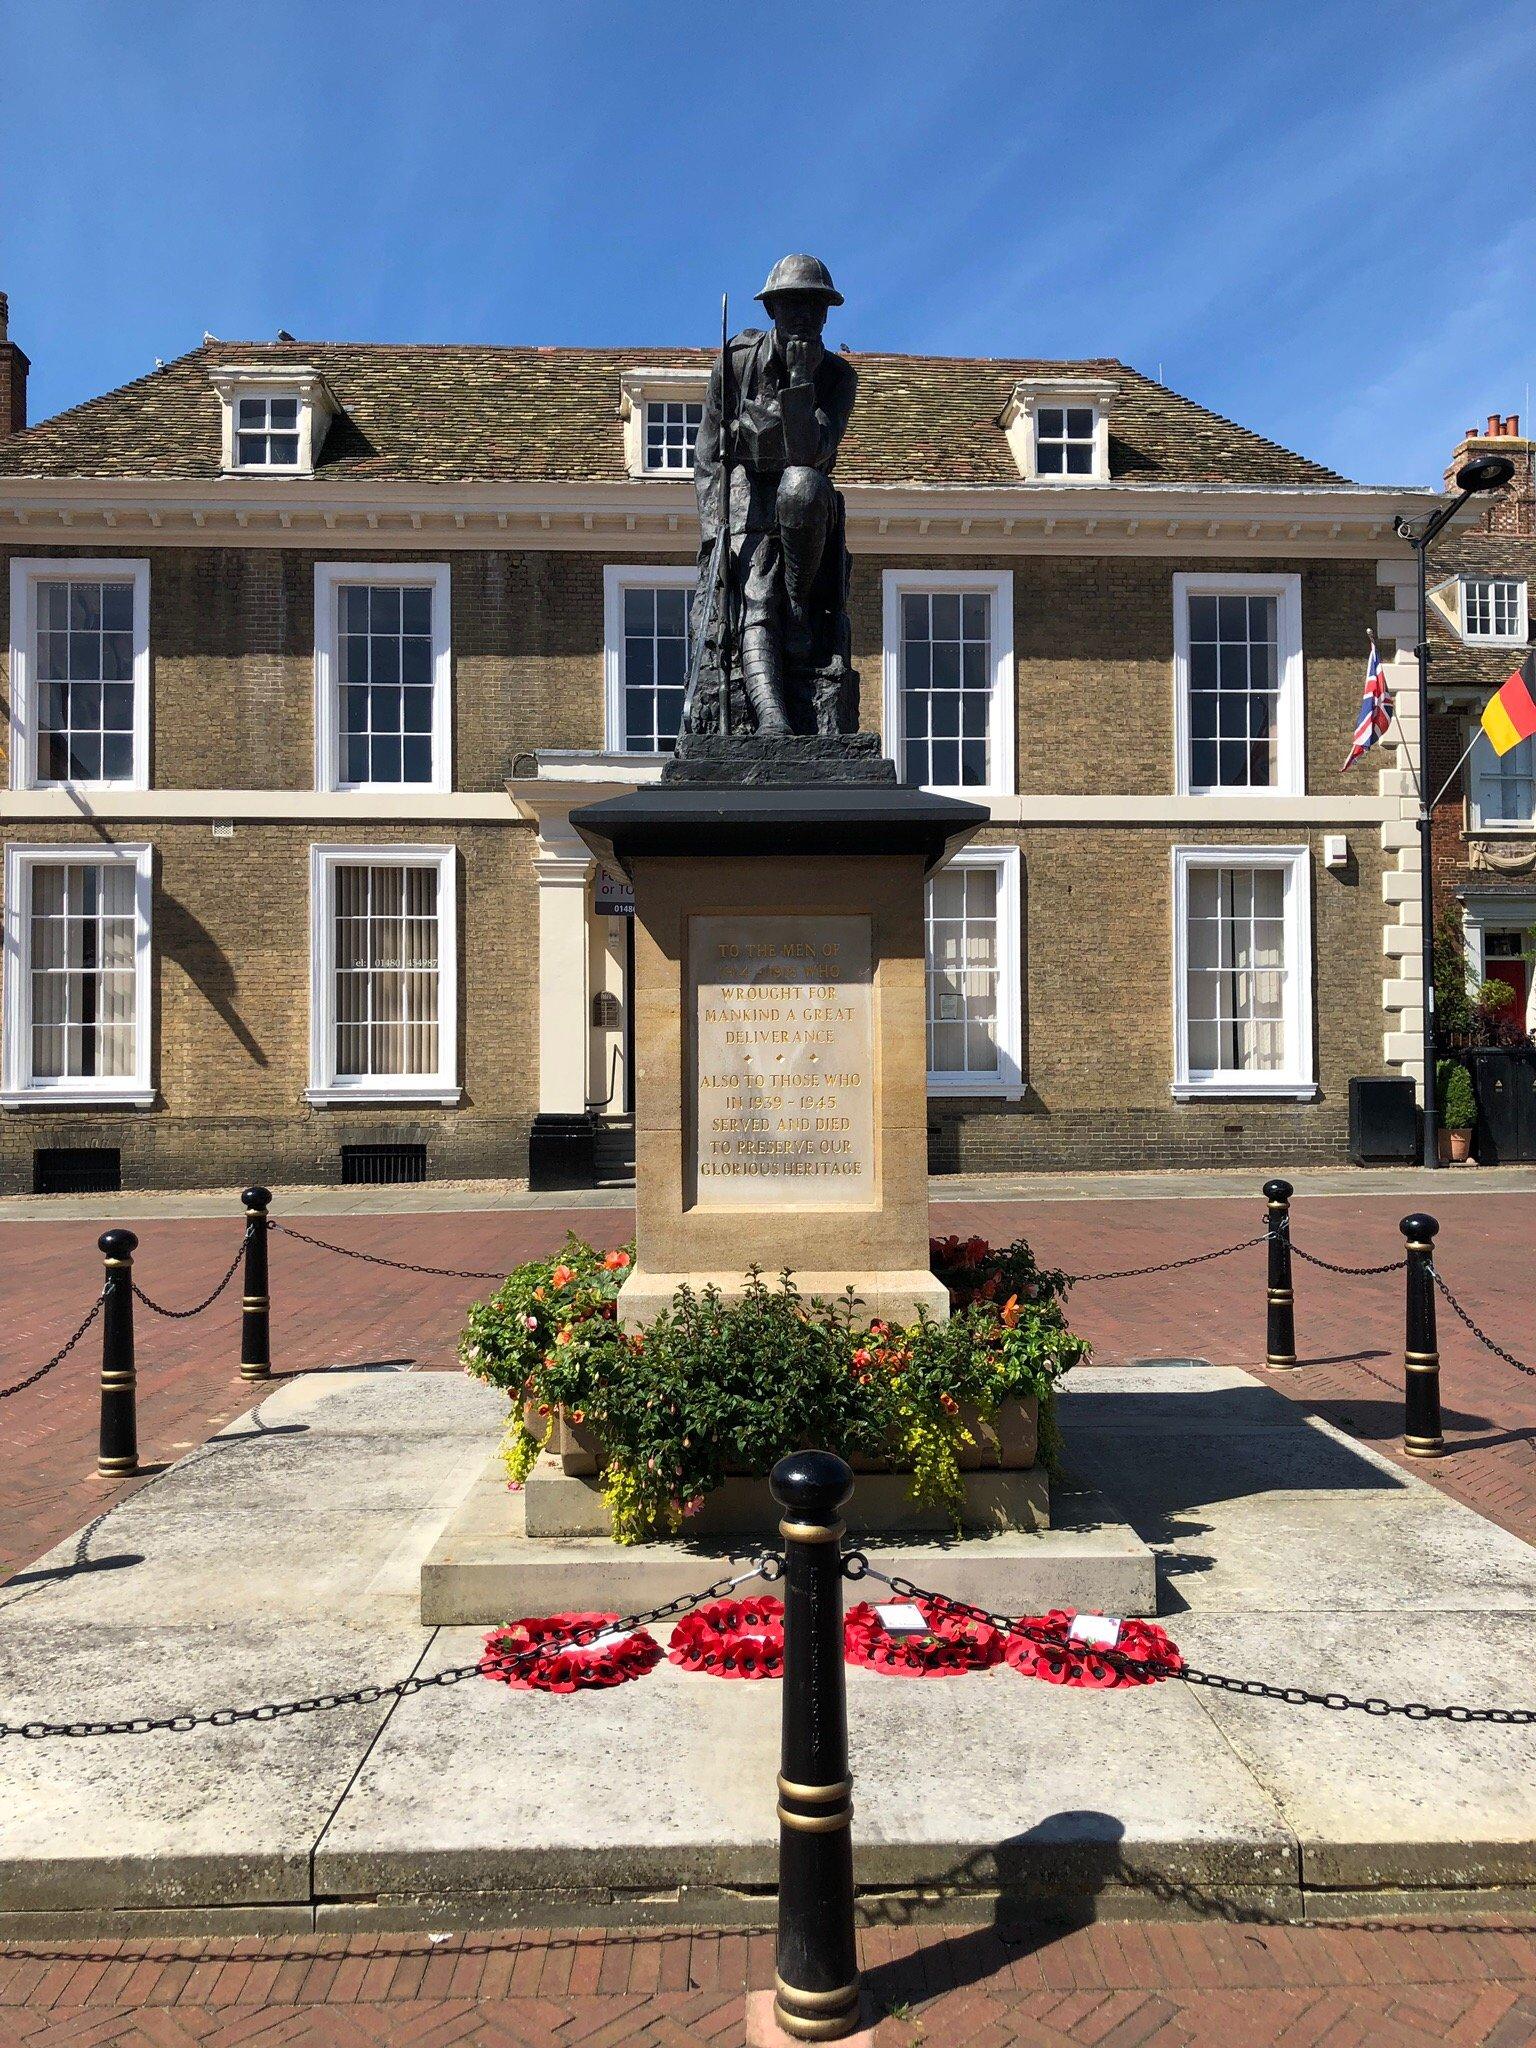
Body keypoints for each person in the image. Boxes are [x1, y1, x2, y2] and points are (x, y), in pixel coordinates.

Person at [688, 254, 858, 737]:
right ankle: (771, 718)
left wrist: (802, 382)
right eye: (790, 304)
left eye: (813, 304)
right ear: (771, 312)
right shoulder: (735, 364)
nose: (802, 314)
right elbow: (706, 456)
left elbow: (812, 456)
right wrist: (713, 536)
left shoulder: (836, 379)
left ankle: (801, 606)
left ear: (826, 314)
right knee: (755, 582)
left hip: (807, 512)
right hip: (744, 499)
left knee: (800, 483)